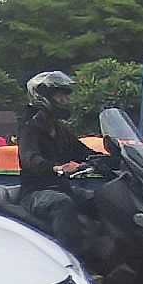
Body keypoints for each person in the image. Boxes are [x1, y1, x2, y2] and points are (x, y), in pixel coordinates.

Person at [18, 70, 94, 256]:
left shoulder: (60, 129)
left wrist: (106, 159)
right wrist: (57, 168)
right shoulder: (30, 127)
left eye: (66, 96)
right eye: (61, 96)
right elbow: (30, 159)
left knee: (96, 198)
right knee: (62, 203)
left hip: (61, 187)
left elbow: (83, 152)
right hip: (35, 192)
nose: (66, 101)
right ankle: (71, 258)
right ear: (43, 97)